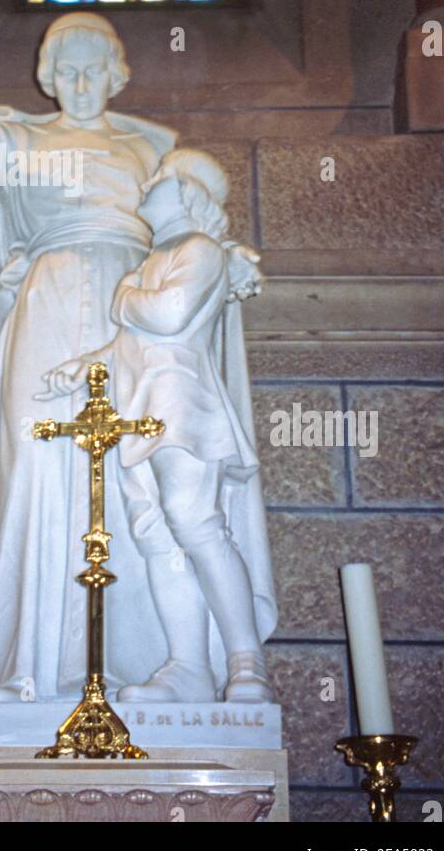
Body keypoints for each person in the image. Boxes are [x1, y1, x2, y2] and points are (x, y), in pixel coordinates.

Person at [0, 0, 210, 702]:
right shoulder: (18, 140)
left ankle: (139, 667)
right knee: (36, 465)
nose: (79, 82)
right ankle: (26, 667)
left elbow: (196, 224)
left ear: (117, 75)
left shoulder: (153, 151)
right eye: (65, 70)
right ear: (47, 77)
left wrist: (224, 262)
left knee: (130, 469)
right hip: (46, 303)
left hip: (128, 304)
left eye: (93, 69)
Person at [39, 148, 277, 702]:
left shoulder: (200, 251)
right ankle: (188, 664)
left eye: (160, 178)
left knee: (194, 522)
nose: (147, 184)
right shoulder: (151, 261)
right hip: (135, 411)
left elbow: (168, 315)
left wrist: (123, 297)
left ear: (187, 193)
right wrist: (85, 366)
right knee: (155, 536)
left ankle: (245, 663)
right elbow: (132, 342)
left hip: (180, 405)